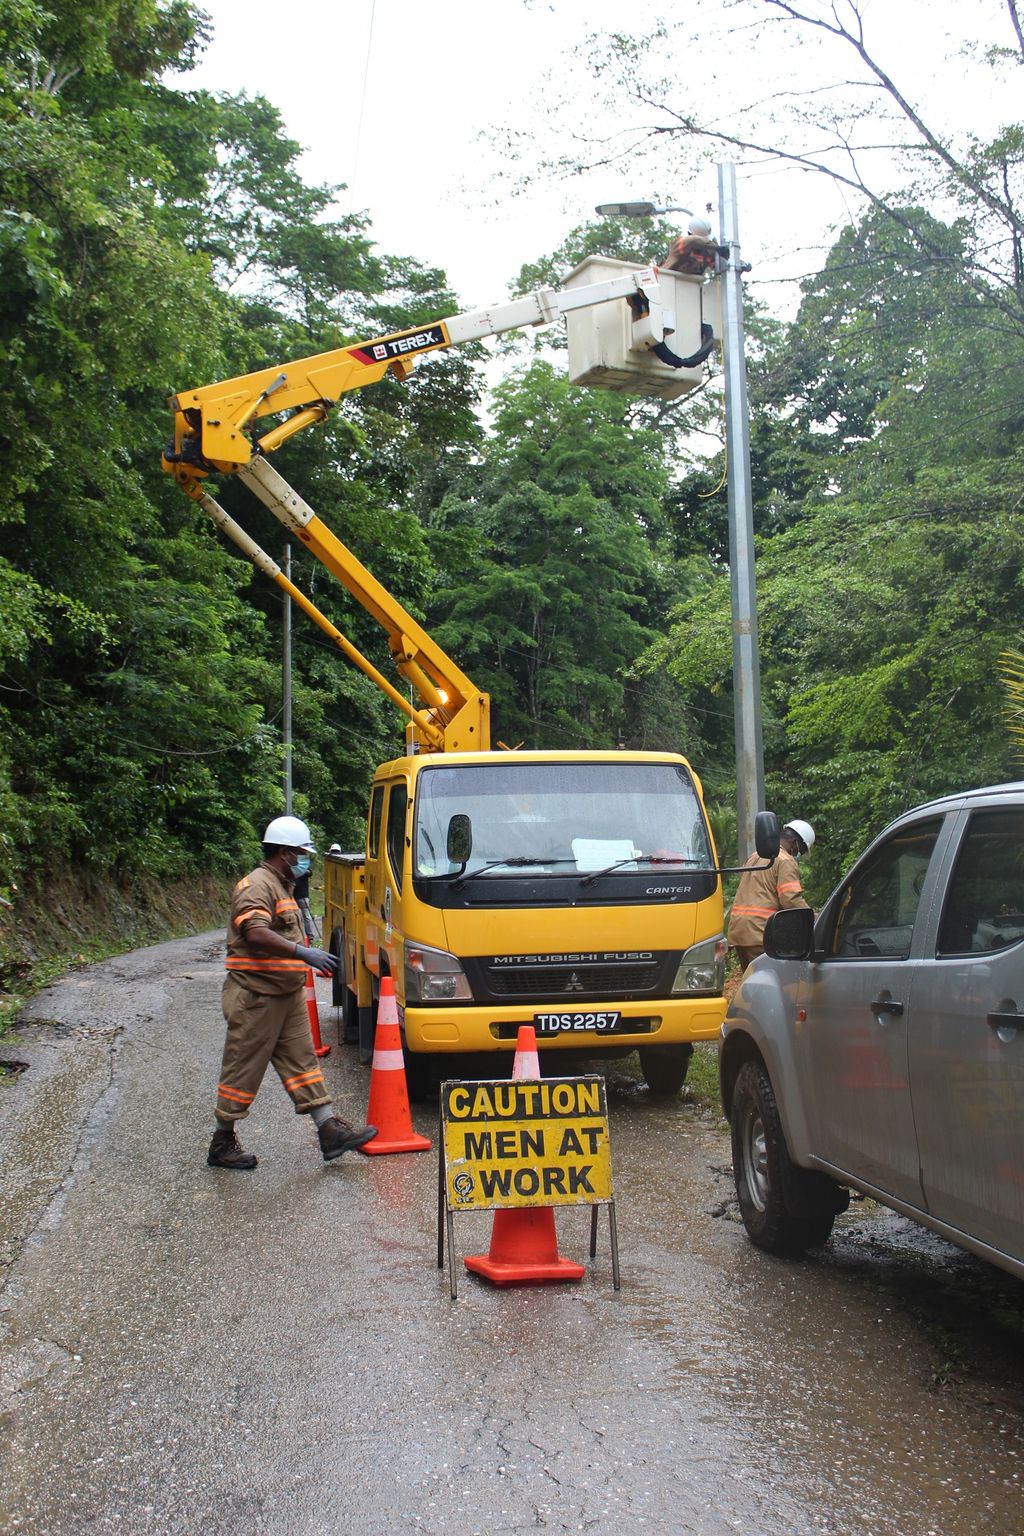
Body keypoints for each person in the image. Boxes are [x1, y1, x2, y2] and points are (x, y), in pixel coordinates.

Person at [207, 814, 376, 1171]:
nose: (306, 860)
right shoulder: (257, 886)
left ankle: (329, 1131)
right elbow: (255, 932)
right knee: (242, 1070)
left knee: (304, 1066)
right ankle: (222, 1141)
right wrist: (303, 953)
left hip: (286, 995)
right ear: (284, 853)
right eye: (302, 853)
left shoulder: (282, 886)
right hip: (256, 997)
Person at [727, 819, 815, 973]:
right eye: (800, 849)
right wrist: (812, 919)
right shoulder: (785, 861)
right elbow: (790, 899)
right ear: (794, 842)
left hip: (739, 931)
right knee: (766, 983)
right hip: (760, 932)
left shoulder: (755, 856)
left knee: (750, 982)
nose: (798, 854)